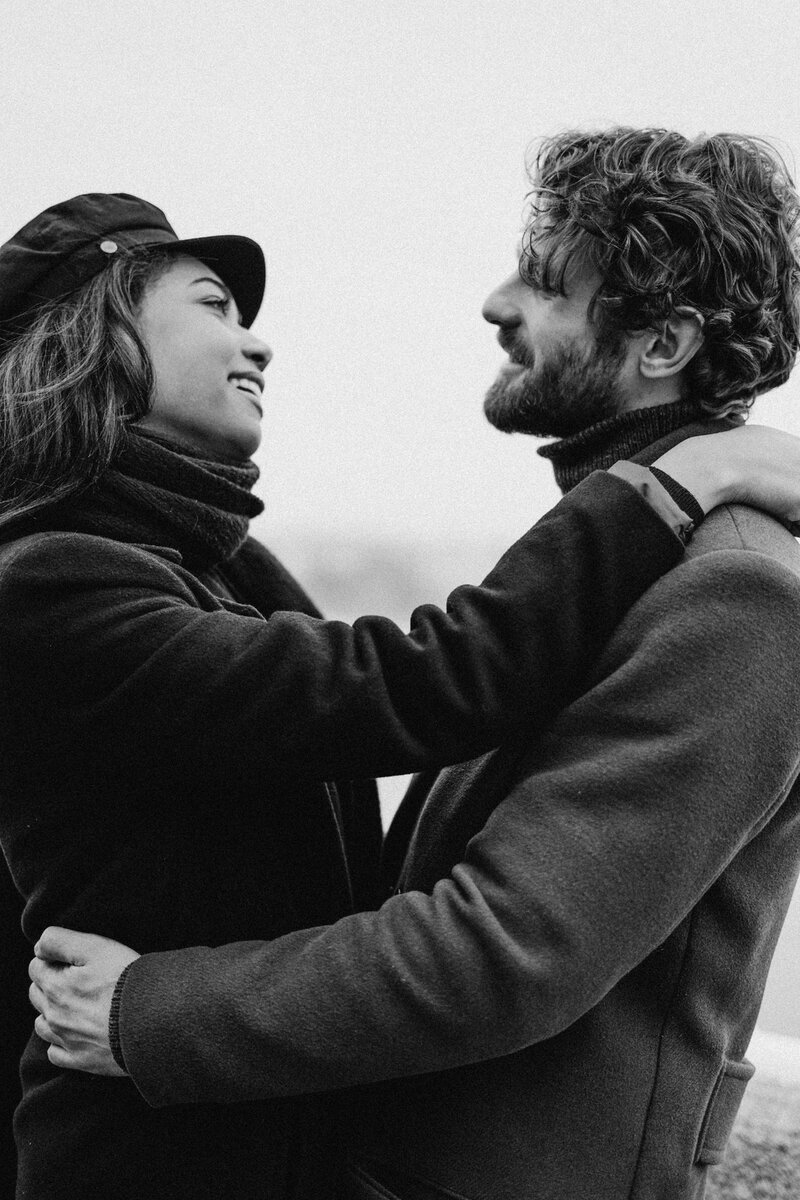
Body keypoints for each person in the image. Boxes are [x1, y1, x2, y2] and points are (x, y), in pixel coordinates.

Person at [19, 124, 800, 1200]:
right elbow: (419, 682)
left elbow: (506, 948)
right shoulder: (69, 582)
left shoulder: (734, 588)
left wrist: (148, 1011)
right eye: (216, 309)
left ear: (659, 343)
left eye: (542, 284)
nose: (493, 304)